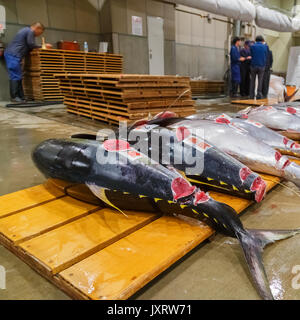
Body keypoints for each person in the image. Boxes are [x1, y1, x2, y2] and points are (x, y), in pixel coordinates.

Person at [4, 22, 52, 103]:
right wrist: (43, 46)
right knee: (15, 76)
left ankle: (21, 97)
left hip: (14, 55)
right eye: (39, 33)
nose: (38, 35)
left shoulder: (25, 30)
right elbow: (31, 44)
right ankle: (14, 97)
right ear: (37, 28)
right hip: (13, 55)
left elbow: (28, 45)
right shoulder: (30, 31)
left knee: (18, 76)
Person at [249, 35, 268, 100]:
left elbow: (251, 55)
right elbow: (266, 55)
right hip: (261, 66)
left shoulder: (252, 46)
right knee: (260, 81)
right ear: (262, 40)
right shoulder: (265, 47)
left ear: (255, 40)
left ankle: (251, 95)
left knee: (252, 81)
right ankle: (259, 94)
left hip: (253, 65)